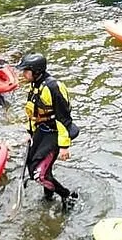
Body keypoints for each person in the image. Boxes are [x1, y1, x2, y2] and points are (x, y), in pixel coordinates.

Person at [15, 53, 79, 210]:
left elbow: (63, 118)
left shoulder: (53, 87)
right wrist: (30, 133)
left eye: (26, 70)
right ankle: (48, 196)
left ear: (36, 71)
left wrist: (64, 146)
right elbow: (33, 112)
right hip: (41, 132)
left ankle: (66, 195)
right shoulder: (35, 85)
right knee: (33, 166)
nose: (23, 74)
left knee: (39, 174)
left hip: (55, 134)